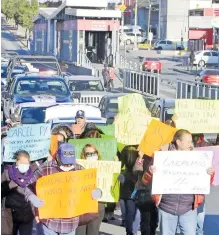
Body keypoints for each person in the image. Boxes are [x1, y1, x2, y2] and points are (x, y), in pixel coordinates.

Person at [142, 129, 215, 235]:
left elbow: (205, 183)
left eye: (191, 141)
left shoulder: (198, 157)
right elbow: (145, 180)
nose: (191, 144)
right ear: (178, 142)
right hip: (166, 207)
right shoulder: (161, 155)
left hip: (188, 208)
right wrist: (150, 172)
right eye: (189, 141)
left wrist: (209, 173)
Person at [25, 143, 85, 235]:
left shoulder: (80, 170)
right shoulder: (44, 169)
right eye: (65, 162)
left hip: (70, 224)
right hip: (49, 223)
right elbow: (29, 187)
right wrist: (33, 199)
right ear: (57, 156)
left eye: (70, 162)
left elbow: (88, 190)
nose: (68, 165)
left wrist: (95, 193)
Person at [1, 150, 35, 235]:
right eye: (22, 162)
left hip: (26, 215)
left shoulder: (33, 174)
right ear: (16, 162)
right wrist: (9, 186)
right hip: (10, 215)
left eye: (26, 163)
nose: (24, 165)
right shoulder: (7, 173)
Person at [76, 144, 105, 235]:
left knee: (93, 232)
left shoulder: (105, 167)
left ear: (97, 153)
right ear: (84, 155)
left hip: (98, 206)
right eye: (88, 154)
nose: (92, 156)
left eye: (94, 153)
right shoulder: (78, 167)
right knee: (79, 232)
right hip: (82, 207)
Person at [133, 151, 158, 235]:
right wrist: (140, 157)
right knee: (146, 220)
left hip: (157, 193)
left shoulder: (162, 155)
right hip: (144, 192)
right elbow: (136, 172)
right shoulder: (143, 155)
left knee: (154, 221)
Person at [118, 146, 140, 235]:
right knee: (134, 213)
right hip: (133, 195)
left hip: (126, 195)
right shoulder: (137, 171)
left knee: (129, 213)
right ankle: (131, 231)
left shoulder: (124, 172)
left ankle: (129, 231)